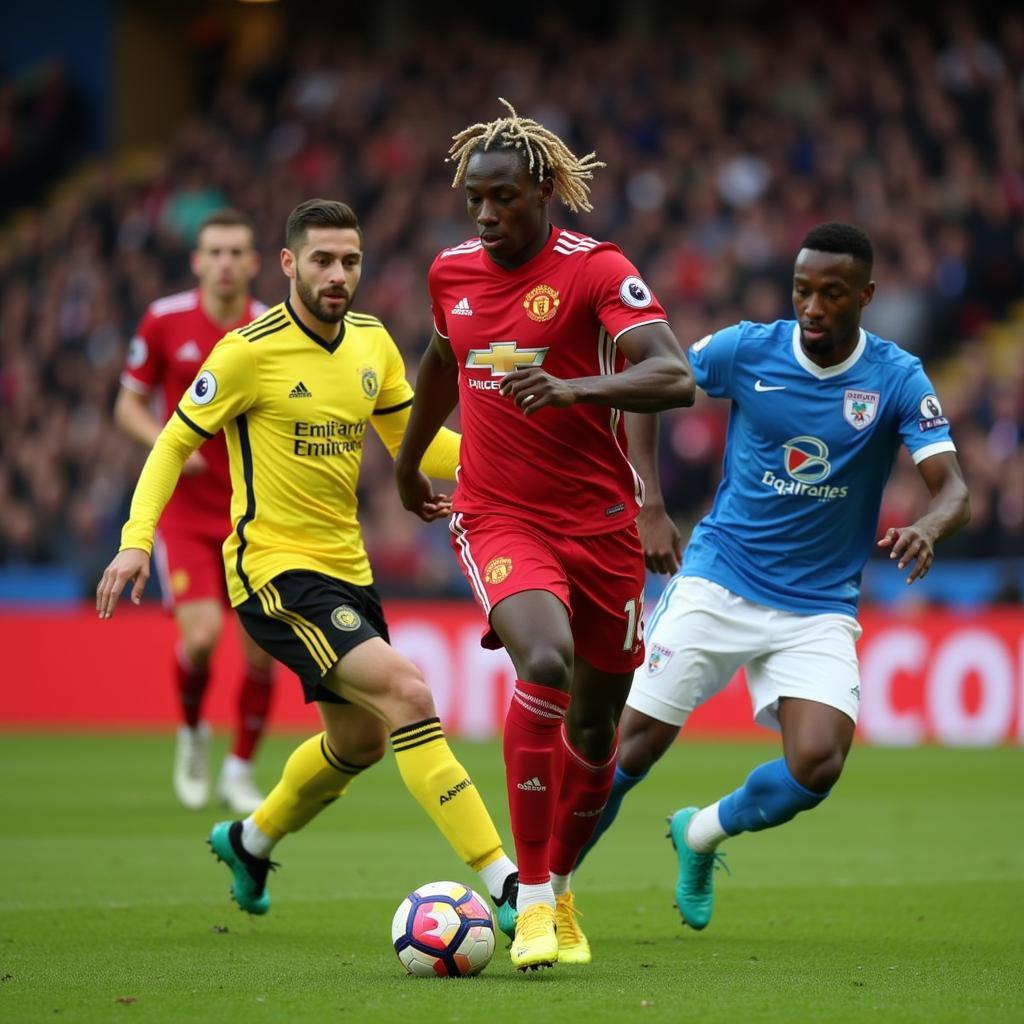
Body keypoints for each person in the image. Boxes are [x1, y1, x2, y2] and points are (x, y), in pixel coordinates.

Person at [96, 198, 520, 937]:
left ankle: (250, 840)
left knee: (360, 740)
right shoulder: (246, 351)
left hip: (347, 570)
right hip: (273, 571)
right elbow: (168, 442)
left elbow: (413, 444)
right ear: (289, 264)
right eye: (322, 260)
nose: (338, 274)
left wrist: (515, 462)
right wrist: (138, 538)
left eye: (350, 261)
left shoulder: (370, 342)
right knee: (411, 694)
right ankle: (507, 882)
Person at [574, 222, 970, 932]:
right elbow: (650, 385)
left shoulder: (896, 377)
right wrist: (651, 505)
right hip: (719, 578)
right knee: (628, 744)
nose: (812, 307)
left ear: (866, 296)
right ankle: (544, 895)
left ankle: (700, 833)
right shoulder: (746, 348)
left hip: (816, 606)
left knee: (816, 766)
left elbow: (955, 491)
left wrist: (926, 528)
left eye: (831, 293)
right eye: (802, 290)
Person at [394, 100, 695, 970]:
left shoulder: (597, 270)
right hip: (497, 512)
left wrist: (573, 393)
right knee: (546, 663)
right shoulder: (450, 272)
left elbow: (671, 374)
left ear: (545, 193)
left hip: (599, 526)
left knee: (597, 730)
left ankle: (562, 886)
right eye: (474, 201)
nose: (486, 216)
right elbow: (442, 358)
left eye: (503, 199)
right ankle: (528, 900)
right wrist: (413, 462)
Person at [115, 209, 274, 815]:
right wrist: (170, 443)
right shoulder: (163, 320)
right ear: (197, 261)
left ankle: (239, 769)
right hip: (184, 513)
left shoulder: (270, 329)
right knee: (204, 640)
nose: (226, 262)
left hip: (252, 513)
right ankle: (191, 733)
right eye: (216, 251)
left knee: (260, 650)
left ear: (256, 263)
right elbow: (126, 406)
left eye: (238, 252)